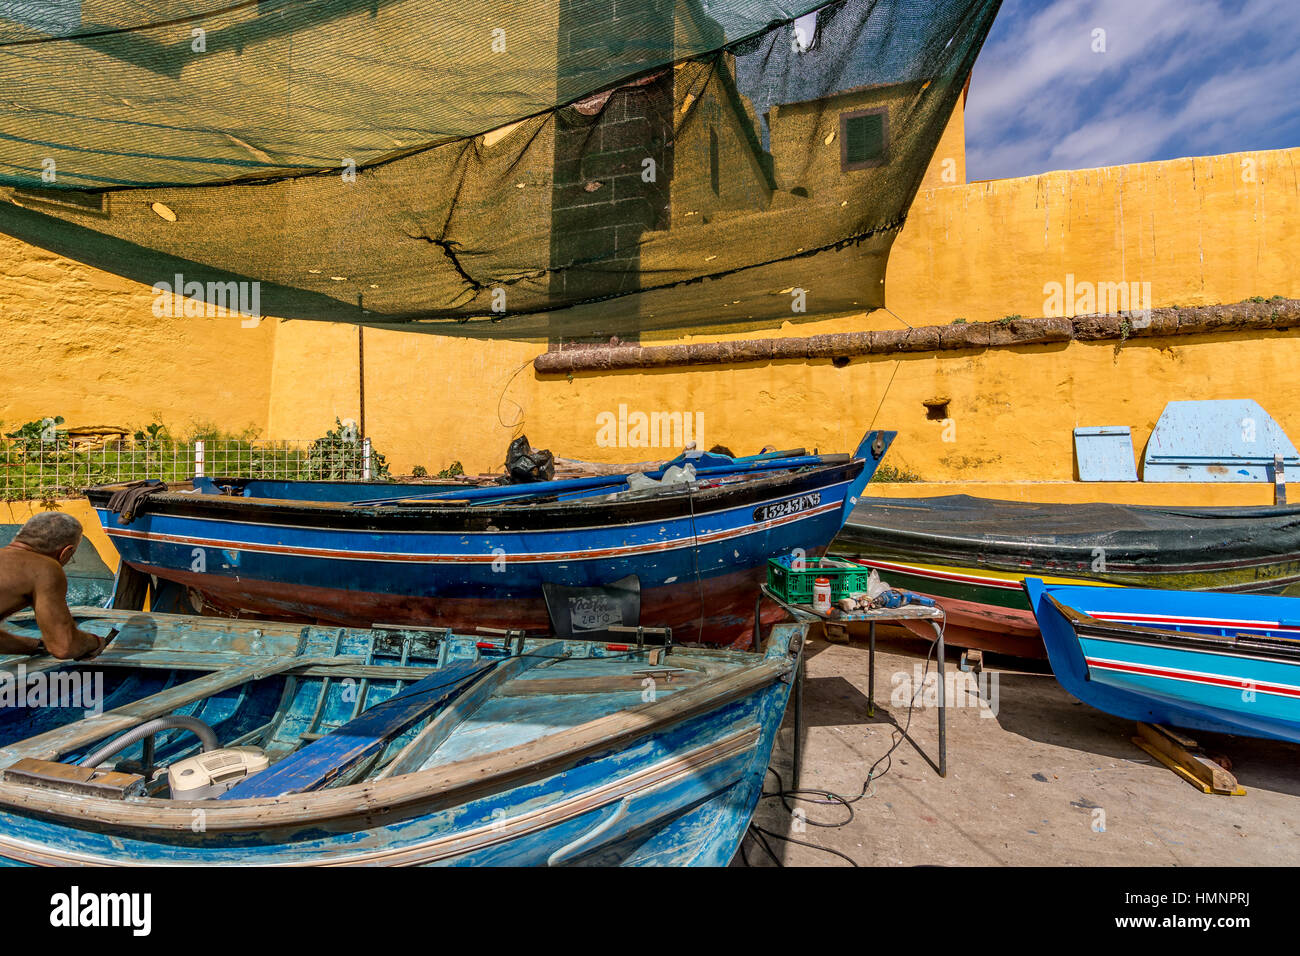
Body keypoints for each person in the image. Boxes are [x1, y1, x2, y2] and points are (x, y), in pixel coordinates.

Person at [0, 512, 105, 659]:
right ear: (66, 552)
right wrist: (95, 641)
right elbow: (64, 647)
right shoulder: (44, 567)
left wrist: (37, 646)